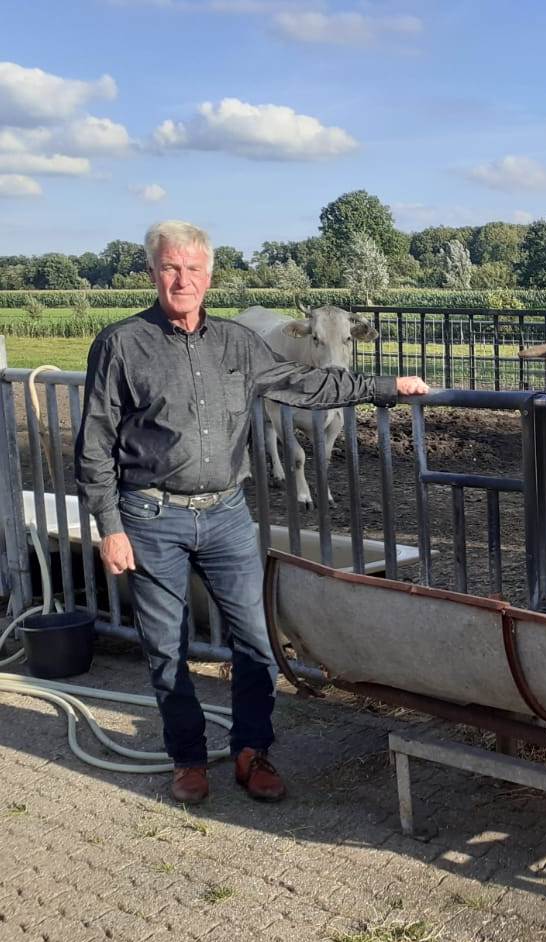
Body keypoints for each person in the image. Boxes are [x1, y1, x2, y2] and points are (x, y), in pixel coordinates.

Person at [75, 220, 429, 806]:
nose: (181, 280)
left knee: (258, 640)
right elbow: (95, 443)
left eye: (192, 268)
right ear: (152, 273)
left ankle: (251, 751)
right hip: (150, 515)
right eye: (170, 268)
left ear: (209, 275)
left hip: (226, 514)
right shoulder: (120, 344)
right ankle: (188, 759)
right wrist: (110, 527)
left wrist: (384, 385)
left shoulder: (237, 343)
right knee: (166, 646)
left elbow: (302, 382)